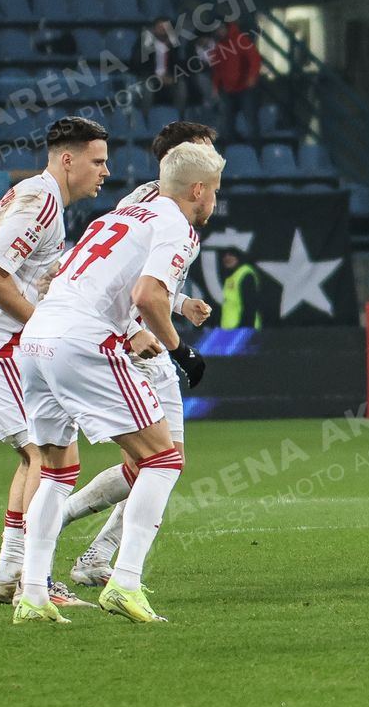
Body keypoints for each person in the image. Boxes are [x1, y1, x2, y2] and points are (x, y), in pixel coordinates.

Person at [14, 140, 221, 625]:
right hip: (82, 341)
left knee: (56, 473)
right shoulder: (177, 226)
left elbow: (62, 278)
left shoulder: (117, 215)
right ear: (198, 190)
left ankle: (32, 593)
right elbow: (147, 295)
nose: (215, 199)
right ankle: (124, 582)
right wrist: (181, 350)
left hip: (36, 337)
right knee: (163, 459)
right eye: (215, 190)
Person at [0, 117, 109, 605]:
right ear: (68, 159)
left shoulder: (40, 199)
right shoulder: (40, 201)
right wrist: (40, 322)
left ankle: (11, 574)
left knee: (40, 455)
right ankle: (34, 582)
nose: (105, 172)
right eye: (98, 161)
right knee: (53, 457)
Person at [58, 123, 219, 588]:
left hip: (142, 336)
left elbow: (142, 277)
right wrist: (142, 333)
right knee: (160, 461)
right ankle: (57, 526)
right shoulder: (154, 205)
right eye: (203, 152)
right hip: (130, 342)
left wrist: (181, 304)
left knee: (158, 463)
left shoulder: (166, 206)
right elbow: (118, 279)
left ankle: (90, 550)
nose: (213, 161)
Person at [210, 18, 262, 142]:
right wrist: (216, 87)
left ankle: (255, 145)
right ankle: (230, 144)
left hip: (244, 86)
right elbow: (217, 69)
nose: (219, 31)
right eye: (216, 29)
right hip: (227, 88)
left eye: (220, 28)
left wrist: (251, 77)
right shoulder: (219, 46)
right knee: (228, 118)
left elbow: (254, 59)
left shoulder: (240, 40)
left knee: (250, 116)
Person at [218, 250, 263, 328]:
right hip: (231, 329)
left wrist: (244, 328)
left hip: (243, 329)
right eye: (224, 256)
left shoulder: (245, 274)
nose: (227, 258)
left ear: (238, 257)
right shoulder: (231, 276)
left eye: (231, 255)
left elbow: (250, 305)